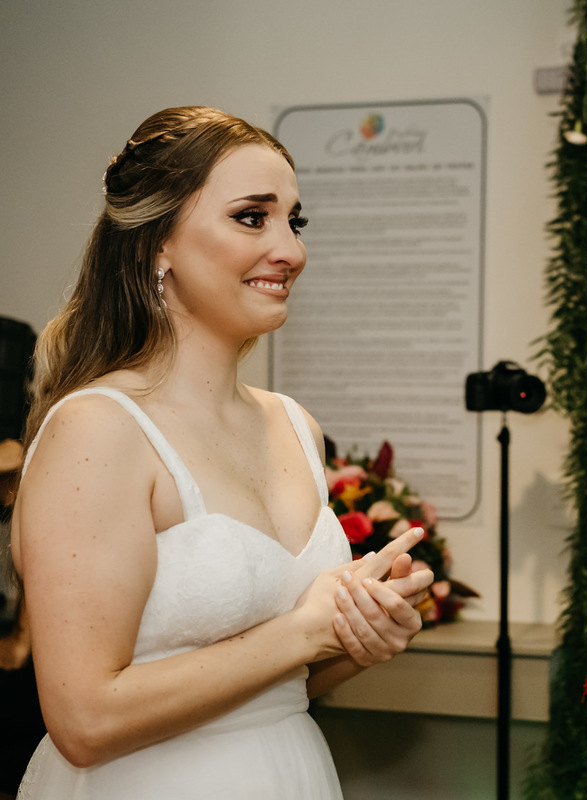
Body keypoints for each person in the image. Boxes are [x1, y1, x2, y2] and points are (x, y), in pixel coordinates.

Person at [9, 106, 435, 799]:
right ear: (157, 244)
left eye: (294, 221)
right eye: (250, 217)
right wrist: (305, 632)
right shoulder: (97, 430)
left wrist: (357, 636)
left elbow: (281, 681)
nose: (290, 251)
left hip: (289, 770)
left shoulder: (294, 425)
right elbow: (82, 719)